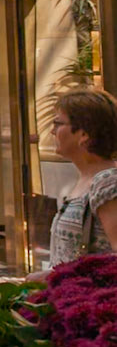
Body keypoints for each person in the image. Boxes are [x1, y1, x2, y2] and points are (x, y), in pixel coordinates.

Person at [48, 87, 117, 265]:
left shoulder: (108, 183)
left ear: (84, 134)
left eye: (58, 124)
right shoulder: (83, 180)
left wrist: (55, 278)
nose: (52, 131)